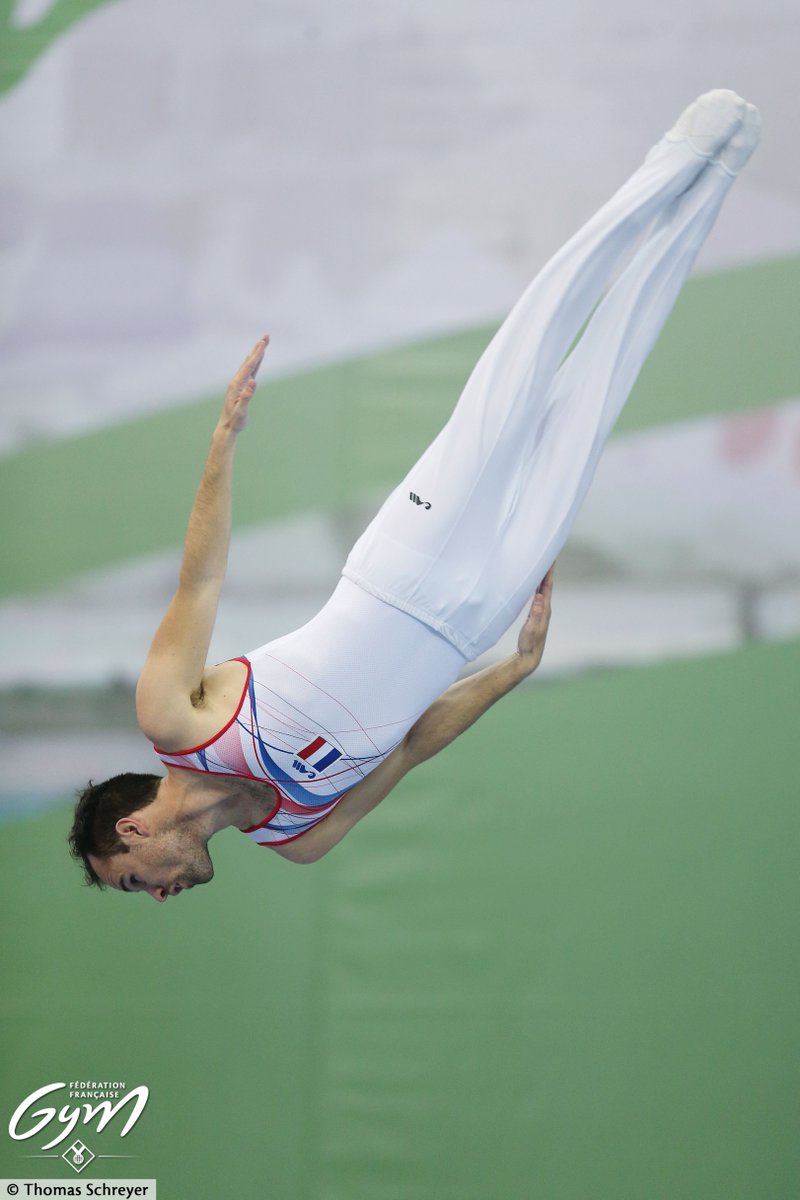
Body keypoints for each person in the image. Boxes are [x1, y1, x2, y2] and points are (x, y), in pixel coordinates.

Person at [69, 89, 760, 900]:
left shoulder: (175, 722)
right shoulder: (300, 836)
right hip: (475, 620)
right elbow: (408, 748)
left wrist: (222, 446)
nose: (154, 894)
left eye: (131, 880)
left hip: (401, 565)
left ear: (133, 829)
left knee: (523, 370)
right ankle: (715, 179)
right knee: (593, 403)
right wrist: (510, 670)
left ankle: (674, 159)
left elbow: (201, 581)